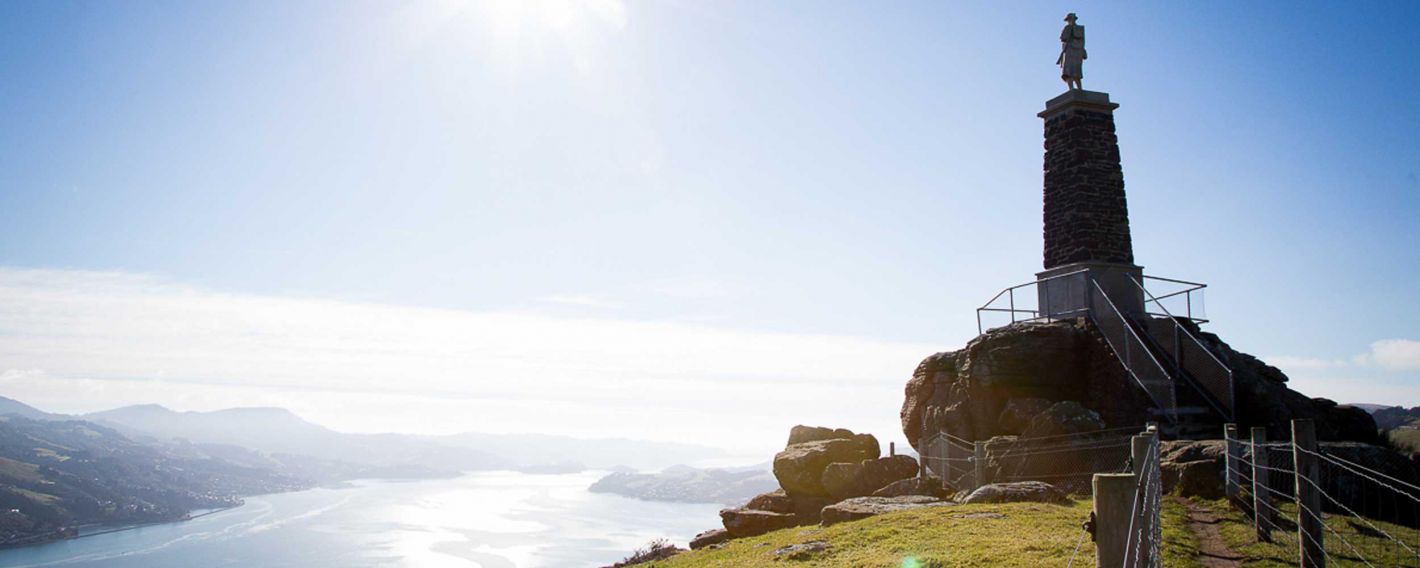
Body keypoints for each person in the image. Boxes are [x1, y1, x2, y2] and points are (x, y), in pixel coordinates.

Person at [1057, 13, 1086, 90]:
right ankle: (1078, 89)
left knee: (1069, 71)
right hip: (1077, 51)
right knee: (1075, 70)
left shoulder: (1068, 28)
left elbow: (1063, 38)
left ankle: (1072, 89)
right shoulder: (1079, 29)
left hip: (1071, 51)